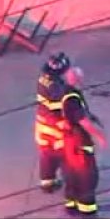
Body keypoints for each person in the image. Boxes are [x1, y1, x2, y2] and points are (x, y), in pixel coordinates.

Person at [61, 66, 109, 217]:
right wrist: (99, 136)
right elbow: (82, 121)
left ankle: (71, 206)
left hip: (70, 142)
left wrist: (91, 116)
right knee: (87, 178)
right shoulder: (73, 98)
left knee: (72, 175)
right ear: (77, 79)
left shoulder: (67, 92)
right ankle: (88, 212)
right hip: (79, 143)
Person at [34, 52, 72, 193]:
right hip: (55, 125)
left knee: (46, 154)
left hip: (42, 122)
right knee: (63, 153)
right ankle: (72, 180)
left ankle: (47, 182)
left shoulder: (43, 78)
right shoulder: (56, 85)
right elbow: (61, 105)